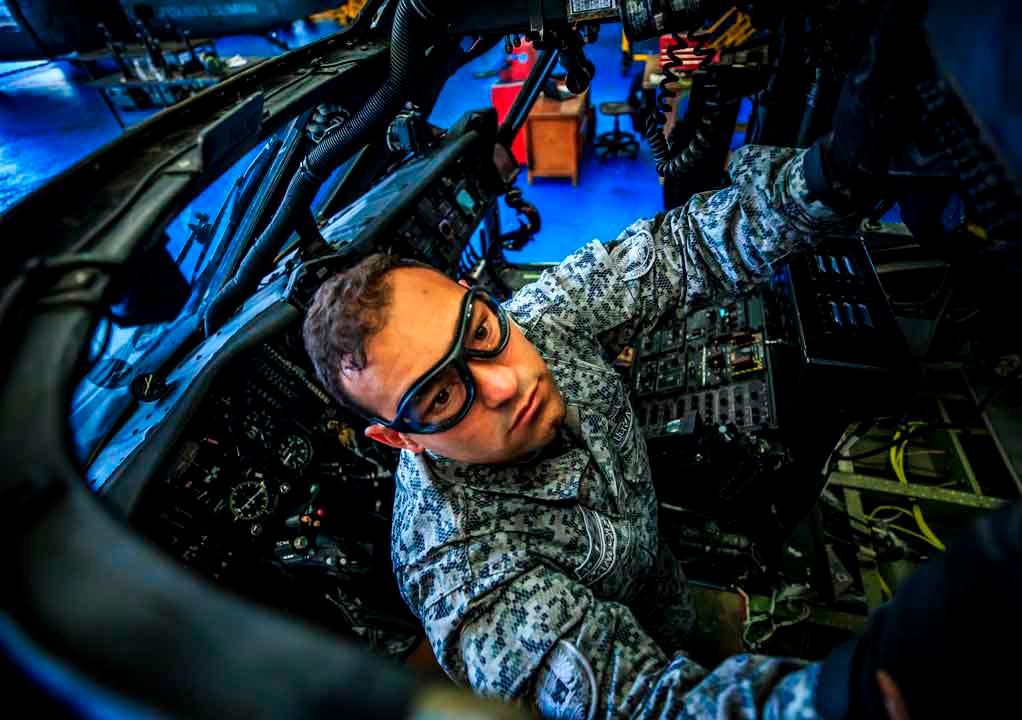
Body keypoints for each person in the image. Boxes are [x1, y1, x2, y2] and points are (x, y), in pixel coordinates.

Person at [301, 2, 933, 717]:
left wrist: (824, 183)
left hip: (658, 580)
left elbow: (678, 252)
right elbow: (636, 704)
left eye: (478, 331)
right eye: (441, 399)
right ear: (397, 439)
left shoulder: (534, 321)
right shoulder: (469, 575)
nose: (506, 381)